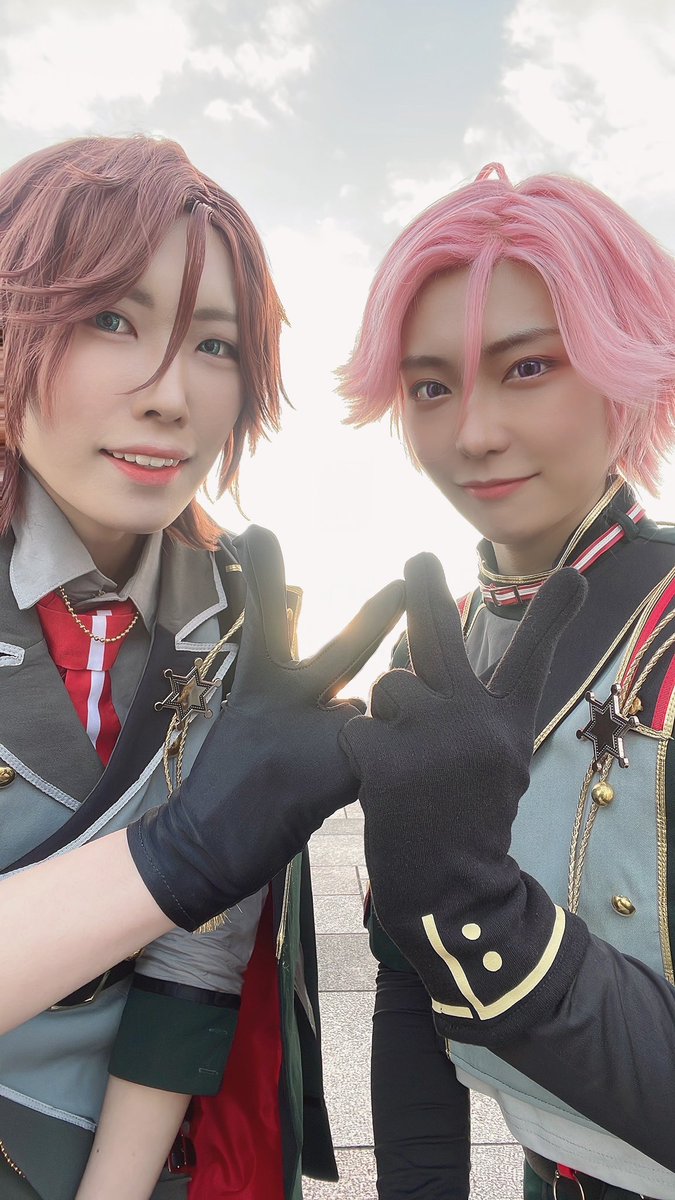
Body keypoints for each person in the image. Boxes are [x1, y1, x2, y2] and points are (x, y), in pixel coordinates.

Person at [0, 135, 404, 1200]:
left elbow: (199, 952)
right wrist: (179, 853)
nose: (170, 395)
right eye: (110, 318)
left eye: (216, 344)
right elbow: (195, 865)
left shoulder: (235, 611)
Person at [338, 164, 675, 1200]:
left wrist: (488, 920)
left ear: (626, 368)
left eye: (527, 367)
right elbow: (406, 970)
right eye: (431, 387)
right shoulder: (440, 641)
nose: (472, 434)